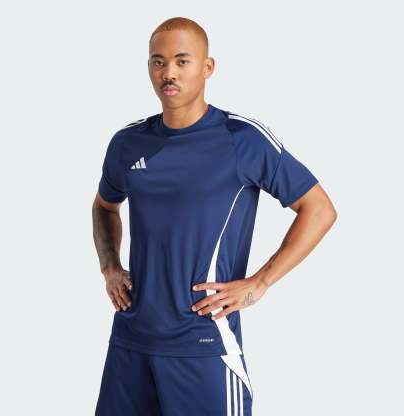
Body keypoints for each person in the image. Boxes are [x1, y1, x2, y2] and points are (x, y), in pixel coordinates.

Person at [92, 16, 337, 416]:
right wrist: (110, 268)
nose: (168, 73)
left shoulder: (242, 139)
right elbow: (104, 206)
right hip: (131, 342)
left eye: (182, 61)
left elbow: (319, 209)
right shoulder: (127, 143)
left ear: (207, 67)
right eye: (158, 62)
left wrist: (260, 282)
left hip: (203, 344)